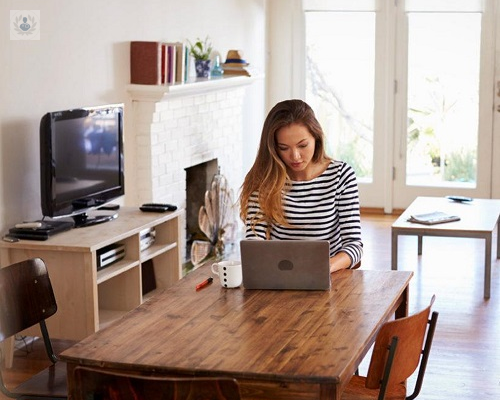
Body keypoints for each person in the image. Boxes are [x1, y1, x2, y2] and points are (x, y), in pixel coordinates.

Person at [239, 99, 363, 273]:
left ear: (316, 137)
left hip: (329, 278)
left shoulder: (341, 175)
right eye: (284, 148)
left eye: (303, 145)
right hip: (279, 277)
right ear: (273, 148)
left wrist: (325, 267)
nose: (295, 156)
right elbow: (254, 243)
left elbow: (354, 245)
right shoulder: (264, 180)